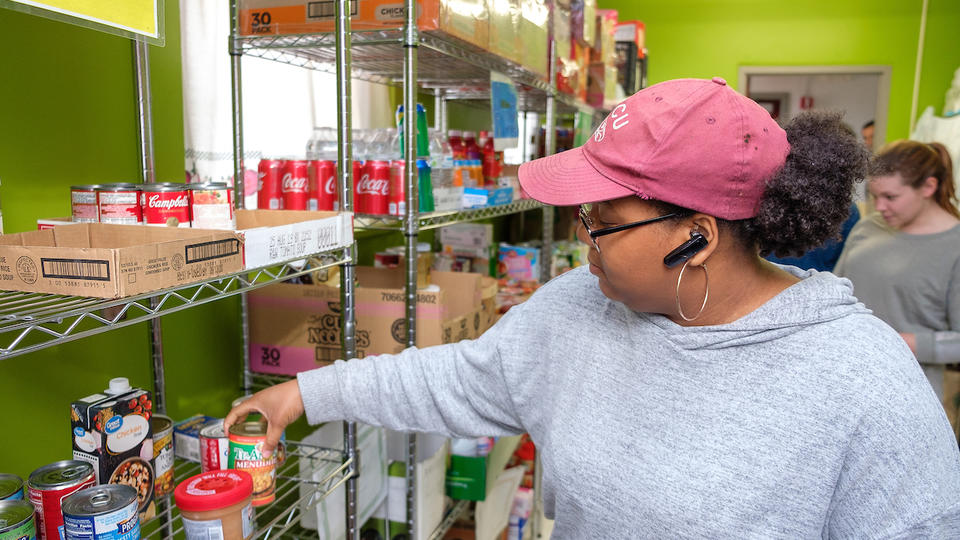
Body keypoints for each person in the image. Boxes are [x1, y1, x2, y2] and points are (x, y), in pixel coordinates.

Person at [227, 78, 960, 537]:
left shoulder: (863, 383)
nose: (583, 239)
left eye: (601, 220)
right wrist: (307, 391)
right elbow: (461, 378)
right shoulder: (578, 308)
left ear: (695, 237)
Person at [835, 140, 960, 403]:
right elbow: (836, 291)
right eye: (874, 196)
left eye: (890, 197)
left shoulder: (954, 247)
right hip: (845, 377)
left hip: (908, 393)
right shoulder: (868, 227)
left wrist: (897, 342)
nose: (879, 207)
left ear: (929, 186)